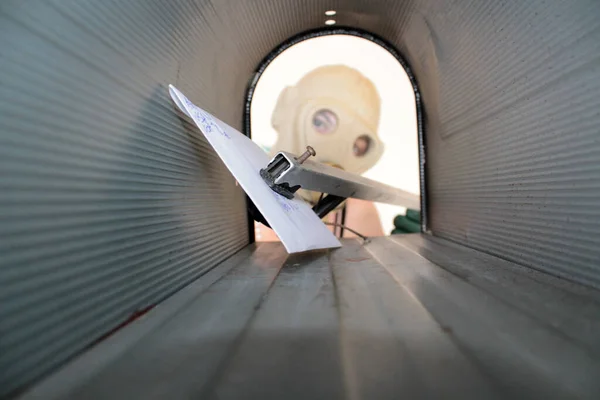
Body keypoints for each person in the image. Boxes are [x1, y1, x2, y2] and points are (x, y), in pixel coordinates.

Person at [256, 65, 386, 241]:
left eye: (357, 147)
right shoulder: (237, 184)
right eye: (320, 122)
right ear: (283, 106)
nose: (333, 152)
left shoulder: (357, 210)